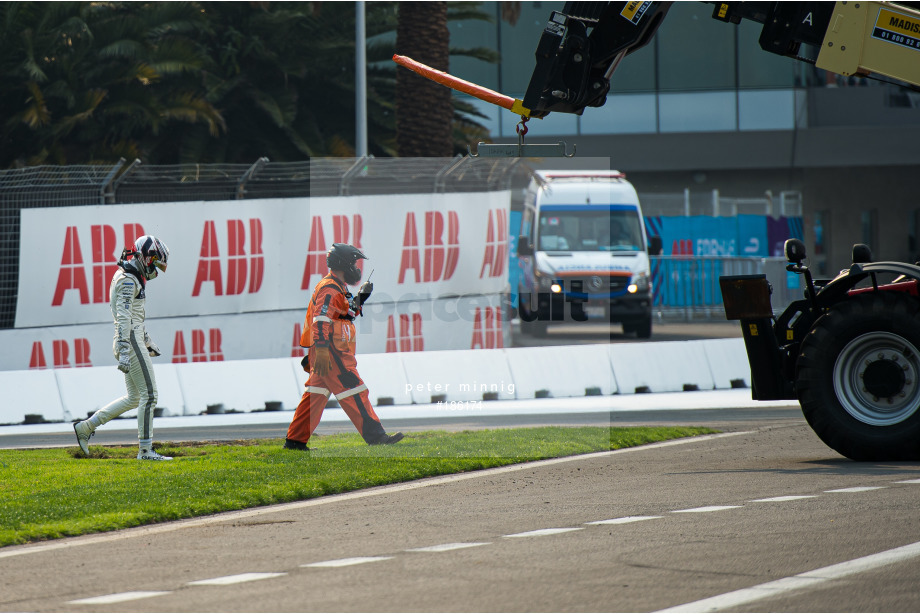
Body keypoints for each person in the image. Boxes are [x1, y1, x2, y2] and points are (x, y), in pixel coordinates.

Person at [284, 243, 404, 450]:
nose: (356, 268)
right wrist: (321, 350)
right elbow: (320, 320)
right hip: (331, 351)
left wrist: (361, 298)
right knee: (355, 390)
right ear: (343, 263)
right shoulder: (329, 288)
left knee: (315, 396)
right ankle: (377, 438)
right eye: (354, 263)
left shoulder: (339, 287)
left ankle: (295, 442)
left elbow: (345, 315)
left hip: (331, 350)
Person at [73, 235, 172, 461]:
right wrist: (127, 349)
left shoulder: (130, 275)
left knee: (135, 397)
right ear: (145, 257)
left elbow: (132, 315)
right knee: (150, 395)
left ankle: (86, 427)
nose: (156, 269)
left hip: (132, 339)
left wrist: (145, 339)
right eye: (155, 262)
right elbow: (125, 317)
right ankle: (145, 450)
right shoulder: (128, 280)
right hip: (130, 341)